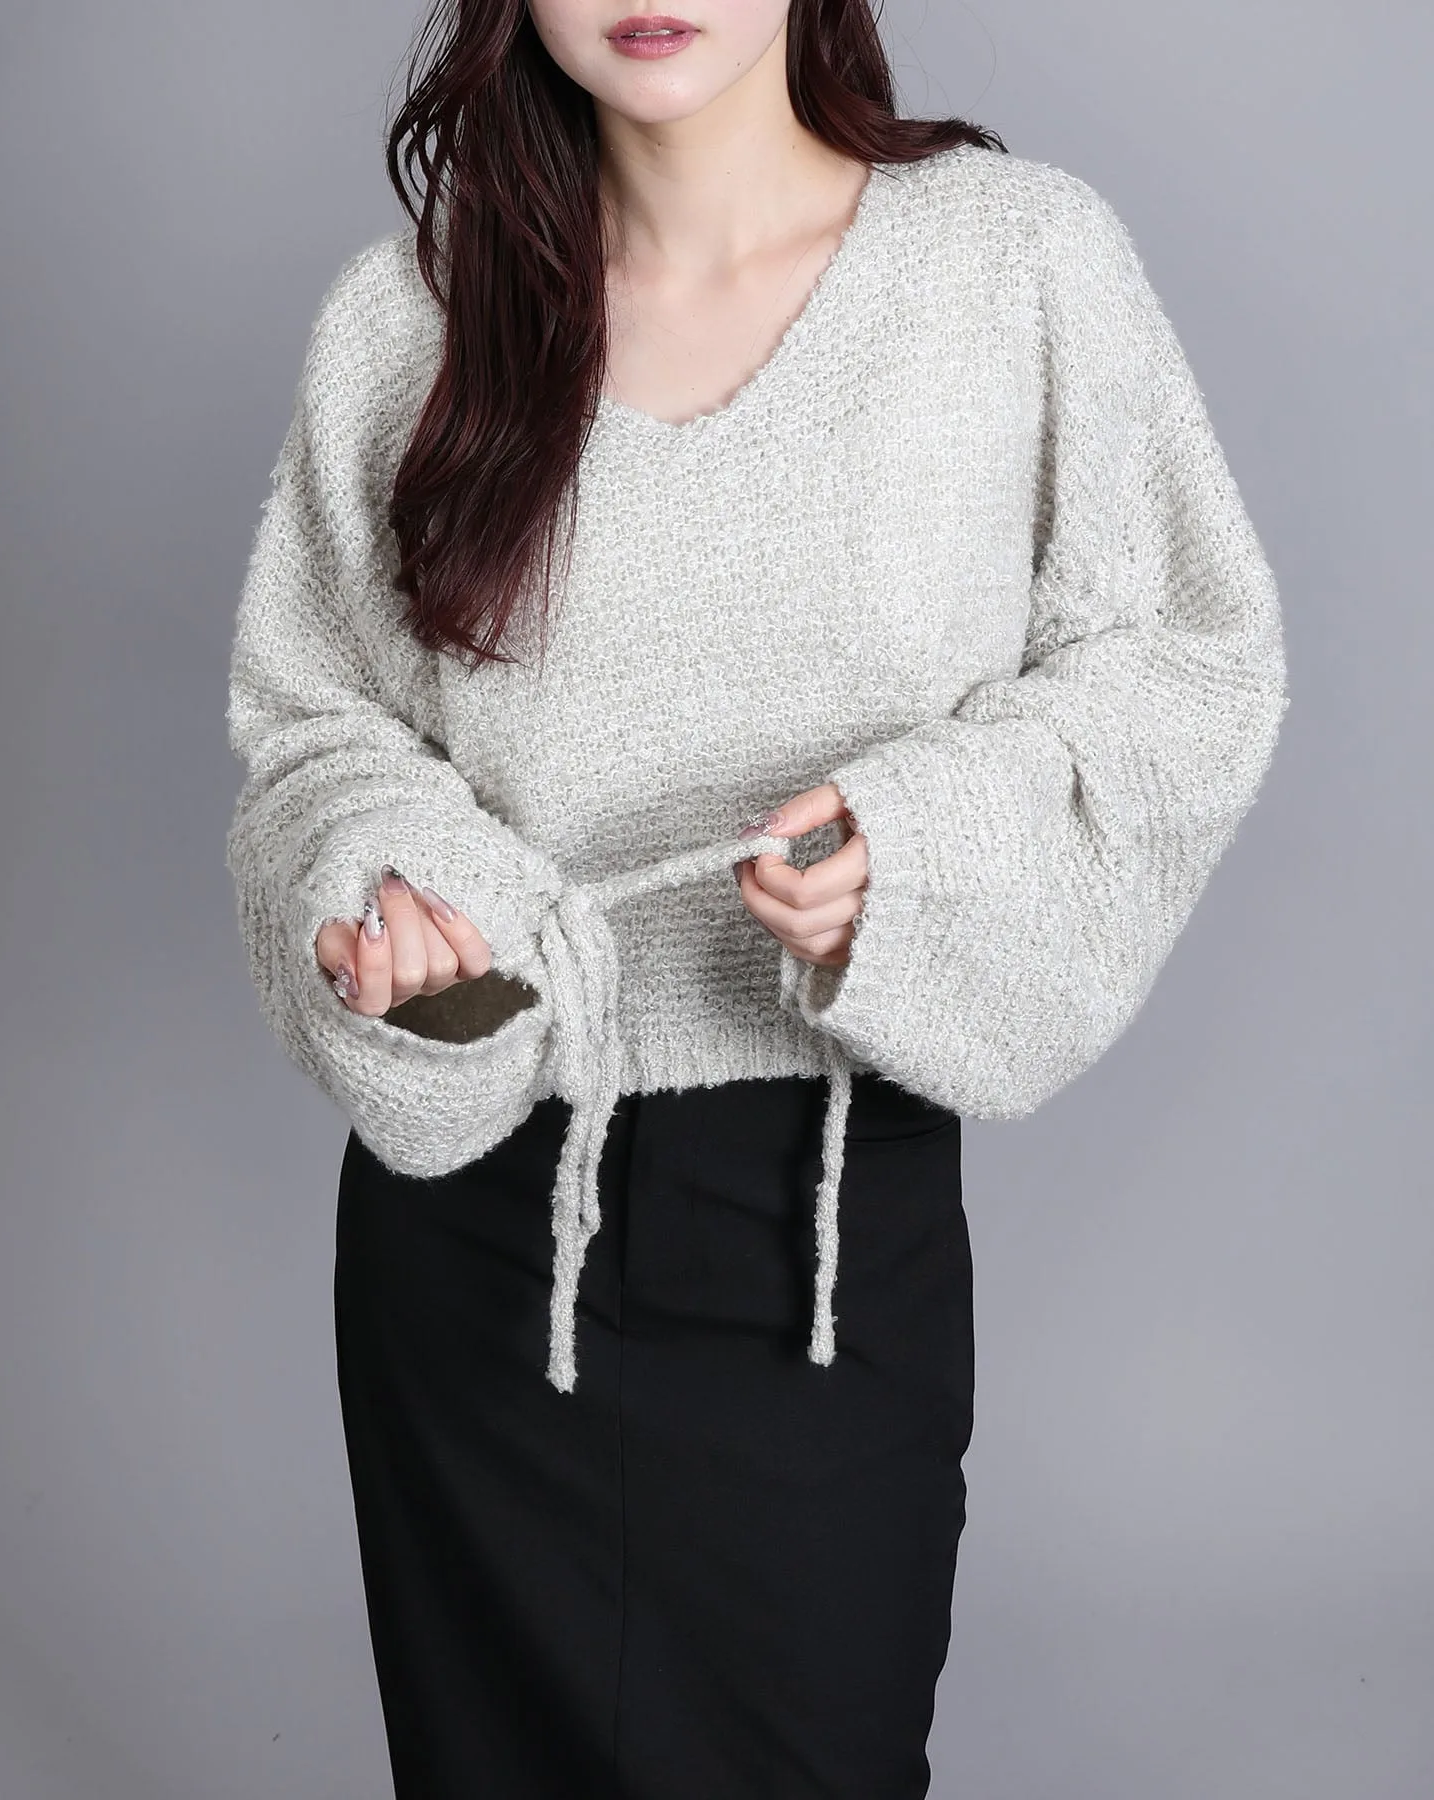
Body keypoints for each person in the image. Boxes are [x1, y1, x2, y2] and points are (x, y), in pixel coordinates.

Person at [223, 3, 1290, 1795]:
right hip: (476, 1245)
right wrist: (407, 910)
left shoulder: (1011, 266)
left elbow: (1188, 666)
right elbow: (319, 728)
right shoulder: (405, 322)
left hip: (822, 1224)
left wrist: (915, 842)